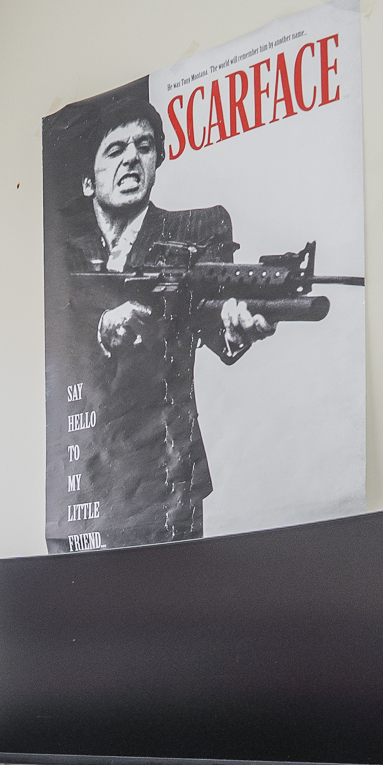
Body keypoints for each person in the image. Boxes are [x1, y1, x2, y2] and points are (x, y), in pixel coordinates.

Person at [47, 96, 279, 551]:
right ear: (88, 182)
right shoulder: (65, 260)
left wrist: (234, 326)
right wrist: (103, 329)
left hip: (167, 477)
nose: (132, 158)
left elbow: (213, 316)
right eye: (115, 150)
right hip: (85, 480)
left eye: (144, 145)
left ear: (157, 159)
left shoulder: (194, 232)